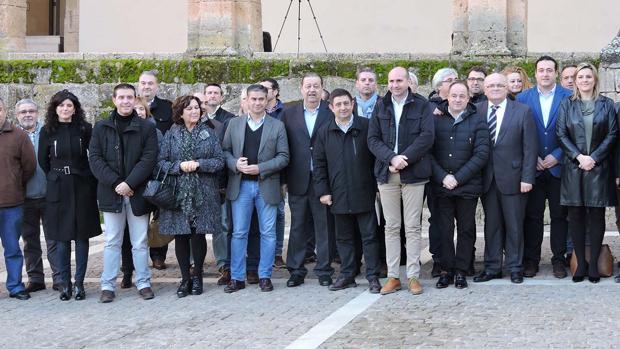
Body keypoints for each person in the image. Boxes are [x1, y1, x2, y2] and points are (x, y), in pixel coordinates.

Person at [367, 66, 435, 295]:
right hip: (387, 173)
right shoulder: (380, 105)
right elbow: (373, 139)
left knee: (413, 226)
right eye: (391, 81)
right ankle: (393, 276)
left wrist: (405, 158)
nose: (394, 85)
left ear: (408, 82)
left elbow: (427, 136)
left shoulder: (422, 104)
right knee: (391, 226)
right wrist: (392, 157)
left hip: (413, 173)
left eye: (399, 81)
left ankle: (413, 276)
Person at [89, 83, 159, 303]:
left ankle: (144, 282)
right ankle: (107, 285)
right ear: (114, 100)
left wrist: (129, 183)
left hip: (137, 192)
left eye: (130, 97)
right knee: (111, 241)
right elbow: (95, 159)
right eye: (121, 97)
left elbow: (148, 159)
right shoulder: (101, 127)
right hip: (111, 192)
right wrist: (117, 183)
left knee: (139, 241)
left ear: (135, 99)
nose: (126, 101)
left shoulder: (146, 127)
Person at [313, 88, 382, 293]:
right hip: (338, 193)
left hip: (364, 191)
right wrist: (323, 191)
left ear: (353, 104)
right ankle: (347, 274)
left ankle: (372, 276)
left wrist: (377, 185)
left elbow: (376, 157)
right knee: (343, 238)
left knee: (369, 237)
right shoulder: (324, 131)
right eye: (338, 104)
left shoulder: (367, 126)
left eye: (346, 103)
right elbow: (319, 165)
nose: (343, 107)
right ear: (331, 107)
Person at [222, 84, 289, 293]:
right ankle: (237, 277)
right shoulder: (234, 124)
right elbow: (224, 152)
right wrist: (235, 164)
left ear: (267, 99)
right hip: (240, 186)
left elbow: (284, 157)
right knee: (239, 233)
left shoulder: (277, 126)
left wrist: (260, 168)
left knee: (268, 233)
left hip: (266, 186)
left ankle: (264, 276)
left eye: (261, 99)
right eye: (254, 99)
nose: (258, 103)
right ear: (247, 100)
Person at [473, 73, 537, 284]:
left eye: (500, 85)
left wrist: (528, 177)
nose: (495, 88)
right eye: (491, 85)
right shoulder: (477, 110)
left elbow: (530, 148)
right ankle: (492, 267)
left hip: (514, 177)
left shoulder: (523, 111)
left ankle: (515, 267)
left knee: (514, 225)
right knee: (491, 225)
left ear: (507, 88)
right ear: (484, 89)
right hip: (486, 178)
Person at [157, 95, 225, 297]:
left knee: (198, 235)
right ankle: (185, 278)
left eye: (197, 108)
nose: (195, 111)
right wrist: (178, 166)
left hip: (203, 192)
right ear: (180, 112)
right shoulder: (172, 134)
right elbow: (161, 163)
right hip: (178, 192)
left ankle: (198, 277)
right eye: (190, 108)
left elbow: (219, 161)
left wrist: (199, 164)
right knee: (181, 235)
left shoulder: (208, 132)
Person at [557, 63, 618, 283]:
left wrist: (594, 157)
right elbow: (561, 133)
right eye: (580, 77)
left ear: (595, 80)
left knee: (596, 214)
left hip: (598, 168)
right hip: (574, 168)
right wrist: (579, 157)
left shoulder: (607, 104)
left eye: (588, 77)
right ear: (575, 81)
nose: (583, 80)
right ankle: (580, 263)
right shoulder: (567, 104)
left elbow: (612, 134)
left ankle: (593, 265)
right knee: (575, 215)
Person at [38, 90, 102, 301]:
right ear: (55, 108)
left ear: (75, 109)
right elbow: (43, 162)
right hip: (58, 188)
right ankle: (64, 283)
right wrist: (56, 177)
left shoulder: (85, 129)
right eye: (61, 105)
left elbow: (92, 156)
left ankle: (80, 284)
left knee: (82, 237)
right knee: (63, 237)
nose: (65, 109)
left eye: (69, 105)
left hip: (82, 185)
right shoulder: (47, 131)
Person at [517, 56, 572, 279]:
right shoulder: (523, 97)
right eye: (541, 70)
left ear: (556, 73)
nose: (546, 74)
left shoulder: (568, 97)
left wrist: (557, 156)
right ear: (536, 73)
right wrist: (535, 158)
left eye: (550, 70)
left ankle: (558, 260)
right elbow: (518, 131)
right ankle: (531, 260)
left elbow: (573, 131)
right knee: (533, 217)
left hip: (560, 167)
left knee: (560, 217)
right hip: (535, 168)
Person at [430, 81, 489, 289]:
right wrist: (443, 177)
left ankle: (462, 270)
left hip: (467, 186)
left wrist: (458, 177)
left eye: (461, 96)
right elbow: (427, 152)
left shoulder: (478, 120)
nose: (457, 99)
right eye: (454, 95)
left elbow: (481, 153)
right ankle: (446, 270)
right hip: (442, 186)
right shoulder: (435, 120)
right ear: (447, 96)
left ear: (467, 98)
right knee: (444, 229)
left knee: (466, 229)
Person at [281, 72, 336, 288]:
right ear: (301, 89)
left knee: (324, 227)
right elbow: (284, 148)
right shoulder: (288, 113)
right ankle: (296, 270)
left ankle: (324, 269)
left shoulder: (330, 112)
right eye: (308, 86)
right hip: (298, 178)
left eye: (316, 86)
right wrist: (284, 179)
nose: (312, 90)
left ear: (322, 89)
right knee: (298, 227)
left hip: (324, 180)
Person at [15, 99, 61, 292]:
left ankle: (59, 277)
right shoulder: (14, 135)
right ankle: (35, 279)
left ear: (37, 113)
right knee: (30, 240)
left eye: (31, 111)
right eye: (23, 112)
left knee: (54, 239)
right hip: (24, 197)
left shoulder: (49, 132)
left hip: (49, 195)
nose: (28, 114)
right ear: (17, 115)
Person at [0, 97, 36, 300]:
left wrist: (14, 183)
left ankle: (15, 286)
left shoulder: (19, 136)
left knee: (12, 248)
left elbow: (29, 166)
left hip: (11, 204)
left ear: (5, 111)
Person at [137, 70, 172, 270]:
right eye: (143, 83)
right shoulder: (129, 106)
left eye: (150, 83)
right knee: (139, 218)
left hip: (160, 172)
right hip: (136, 175)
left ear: (157, 86)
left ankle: (158, 255)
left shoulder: (167, 108)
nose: (147, 86)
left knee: (160, 216)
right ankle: (136, 256)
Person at [427, 67, 459, 277]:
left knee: (464, 221)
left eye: (456, 79)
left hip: (461, 173)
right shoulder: (429, 110)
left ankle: (463, 259)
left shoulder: (465, 105)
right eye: (449, 80)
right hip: (436, 174)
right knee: (438, 220)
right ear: (439, 87)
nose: (454, 82)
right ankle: (439, 259)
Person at [260, 78, 286, 269]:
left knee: (278, 213)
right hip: (256, 172)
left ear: (275, 92)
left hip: (278, 171)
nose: (262, 92)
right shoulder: (253, 110)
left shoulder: (285, 113)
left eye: (266, 89)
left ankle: (277, 253)